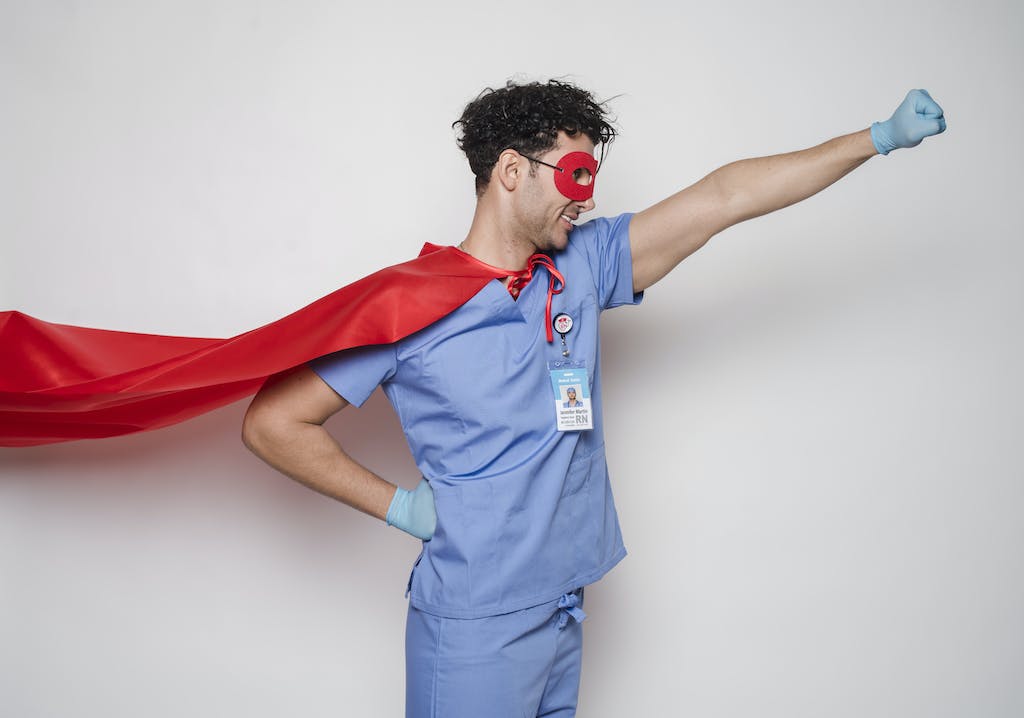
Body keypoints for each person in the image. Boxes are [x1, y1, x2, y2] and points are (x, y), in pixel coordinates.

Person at [241, 80, 945, 717]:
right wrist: (399, 506)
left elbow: (724, 197)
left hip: (565, 609)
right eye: (575, 174)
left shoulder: (582, 265)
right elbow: (274, 423)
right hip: (476, 626)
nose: (588, 197)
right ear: (511, 171)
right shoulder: (408, 305)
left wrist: (876, 138)